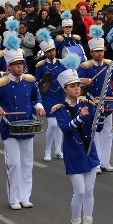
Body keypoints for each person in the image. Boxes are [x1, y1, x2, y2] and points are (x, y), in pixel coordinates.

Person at [0, 34, 46, 210]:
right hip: (10, 128)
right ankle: (13, 198)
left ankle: (25, 196)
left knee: (27, 162)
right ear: (9, 66)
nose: (21, 67)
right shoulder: (2, 83)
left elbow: (37, 98)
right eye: (17, 64)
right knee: (15, 163)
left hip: (27, 126)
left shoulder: (29, 81)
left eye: (22, 64)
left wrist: (39, 107)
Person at [53, 54, 105, 224]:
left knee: (90, 191)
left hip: (90, 151)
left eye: (78, 86)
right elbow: (66, 129)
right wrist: (81, 117)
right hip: (74, 153)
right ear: (65, 88)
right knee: (80, 191)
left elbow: (97, 128)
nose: (77, 89)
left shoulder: (87, 104)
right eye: (73, 86)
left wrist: (100, 114)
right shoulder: (59, 109)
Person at [79, 26, 113, 173]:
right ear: (91, 52)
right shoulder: (86, 66)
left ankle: (105, 162)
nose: (100, 53)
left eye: (102, 51)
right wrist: (82, 80)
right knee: (95, 132)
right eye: (97, 51)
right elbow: (75, 80)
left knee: (107, 132)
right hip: (92, 102)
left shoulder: (109, 65)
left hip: (107, 102)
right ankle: (96, 162)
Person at [35, 28, 65, 161]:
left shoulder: (61, 63)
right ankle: (47, 151)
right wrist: (40, 83)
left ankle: (58, 150)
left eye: (52, 50)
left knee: (59, 124)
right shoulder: (40, 66)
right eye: (48, 51)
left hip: (60, 95)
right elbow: (36, 82)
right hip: (47, 96)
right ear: (45, 53)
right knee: (52, 124)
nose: (51, 53)